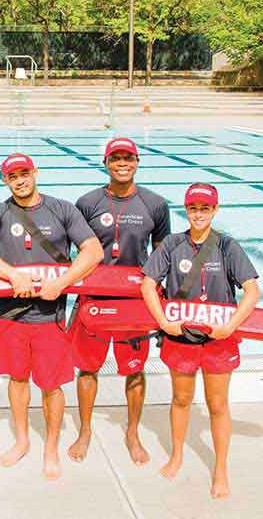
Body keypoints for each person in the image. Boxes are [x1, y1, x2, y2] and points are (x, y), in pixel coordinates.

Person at [0, 153, 103, 479]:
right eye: (13, 176)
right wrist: (12, 275)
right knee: (17, 379)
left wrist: (62, 283)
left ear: (35, 172)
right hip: (12, 315)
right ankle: (23, 440)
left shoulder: (62, 209)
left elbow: (93, 251)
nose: (20, 180)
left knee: (52, 386)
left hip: (50, 318)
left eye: (24, 173)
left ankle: (51, 446)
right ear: (5, 181)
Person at [141, 182, 260, 498]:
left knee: (217, 404)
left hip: (219, 340)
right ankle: (177, 454)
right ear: (186, 209)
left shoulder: (227, 247)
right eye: (193, 208)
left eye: (205, 208)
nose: (198, 214)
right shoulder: (172, 244)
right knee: (181, 399)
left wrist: (231, 325)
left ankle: (220, 469)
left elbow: (252, 291)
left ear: (215, 210)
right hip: (181, 338)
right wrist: (164, 321)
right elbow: (147, 284)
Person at [69, 137, 171, 464]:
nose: (122, 163)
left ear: (137, 162)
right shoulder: (86, 203)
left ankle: (132, 432)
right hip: (93, 298)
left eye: (128, 158)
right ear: (106, 163)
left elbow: (163, 253)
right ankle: (84, 430)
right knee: (87, 368)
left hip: (134, 302)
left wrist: (161, 296)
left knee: (134, 370)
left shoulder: (155, 204)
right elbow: (78, 252)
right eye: (116, 158)